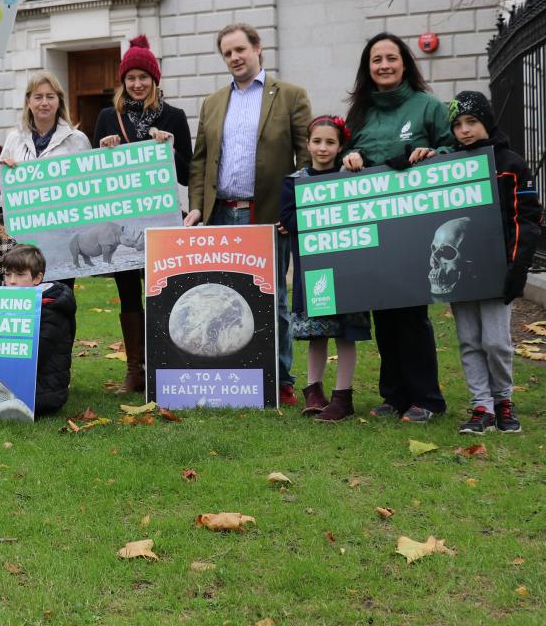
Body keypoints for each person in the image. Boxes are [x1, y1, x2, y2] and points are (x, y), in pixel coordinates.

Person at [186, 23, 311, 406]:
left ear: (258, 48)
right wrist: (196, 206)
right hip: (219, 214)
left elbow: (306, 157)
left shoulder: (290, 96)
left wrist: (294, 211)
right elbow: (200, 161)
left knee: (274, 298)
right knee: (224, 296)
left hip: (267, 214)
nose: (235, 58)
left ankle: (282, 377)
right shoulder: (211, 103)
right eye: (227, 53)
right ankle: (235, 374)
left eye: (240, 49)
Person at [341, 32, 453, 422]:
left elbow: (453, 150)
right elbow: (344, 150)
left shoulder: (428, 106)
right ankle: (393, 395)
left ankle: (427, 399)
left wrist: (433, 154)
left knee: (411, 313)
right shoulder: (360, 112)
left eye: (391, 58)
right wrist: (349, 155)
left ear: (405, 62)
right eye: (376, 60)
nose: (384, 65)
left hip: (414, 223)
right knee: (383, 310)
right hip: (373, 223)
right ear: (367, 68)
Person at [93, 35, 192, 394]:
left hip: (161, 219)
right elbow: (95, 181)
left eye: (143, 77)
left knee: (161, 288)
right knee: (128, 293)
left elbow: (185, 173)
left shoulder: (174, 117)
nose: (137, 84)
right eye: (131, 78)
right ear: (123, 81)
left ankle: (162, 364)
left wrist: (170, 148)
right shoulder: (108, 117)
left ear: (155, 80)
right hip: (121, 222)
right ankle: (135, 369)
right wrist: (103, 152)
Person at [447, 91, 541, 434]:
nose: (465, 131)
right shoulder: (447, 166)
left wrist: (517, 269)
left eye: (471, 122)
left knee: (496, 342)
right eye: (457, 125)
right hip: (461, 274)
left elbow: (527, 219)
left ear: (486, 121)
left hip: (497, 273)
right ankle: (481, 406)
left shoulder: (511, 164)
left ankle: (503, 400)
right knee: (469, 340)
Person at [279, 116, 372, 421]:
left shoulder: (350, 178)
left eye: (330, 142)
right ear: (307, 144)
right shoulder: (294, 181)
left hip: (348, 270)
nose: (323, 148)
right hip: (314, 271)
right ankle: (313, 391)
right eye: (317, 141)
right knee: (316, 334)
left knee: (345, 333)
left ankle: (343, 396)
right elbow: (290, 221)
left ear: (340, 146)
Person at [4, 243, 76, 418]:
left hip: (44, 395)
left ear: (37, 278)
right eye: (8, 274)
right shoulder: (12, 304)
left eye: (20, 275)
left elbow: (36, 354)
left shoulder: (51, 310)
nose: (12, 280)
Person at [0, 71, 91, 187]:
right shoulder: (14, 138)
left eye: (50, 97)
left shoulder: (77, 139)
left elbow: (89, 181)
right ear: (28, 102)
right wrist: (6, 174)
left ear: (59, 101)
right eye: (38, 97)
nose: (45, 103)